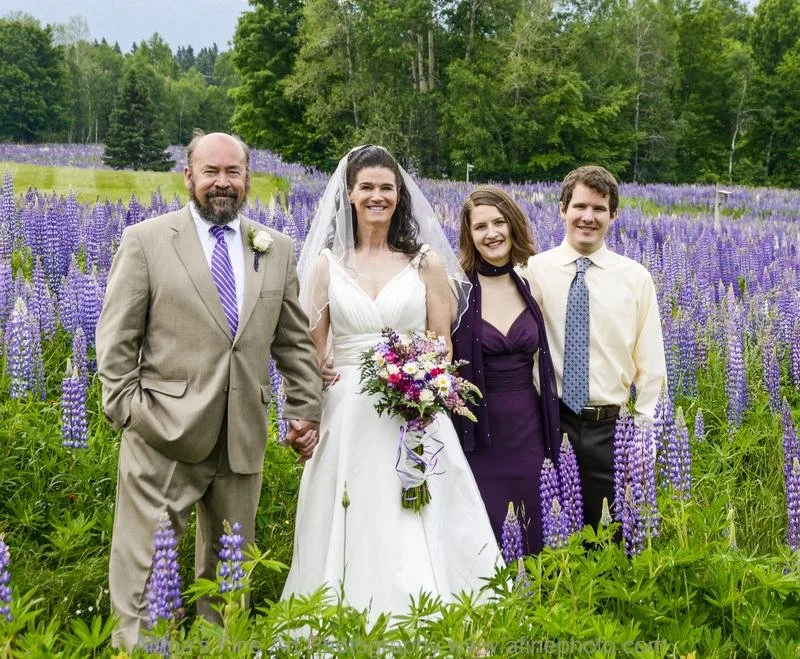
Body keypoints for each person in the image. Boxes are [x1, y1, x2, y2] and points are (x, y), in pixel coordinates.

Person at [96, 132, 323, 649]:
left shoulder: (275, 247)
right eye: (211, 172)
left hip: (243, 431)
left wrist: (305, 410)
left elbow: (293, 341)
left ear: (247, 178)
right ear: (189, 177)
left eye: (233, 172)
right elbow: (115, 343)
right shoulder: (147, 240)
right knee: (144, 568)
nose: (222, 183)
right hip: (163, 431)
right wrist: (129, 413)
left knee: (229, 575)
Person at [281, 145, 500, 621]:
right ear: (350, 194)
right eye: (368, 187)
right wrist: (313, 385)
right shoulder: (326, 264)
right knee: (353, 510)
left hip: (414, 408)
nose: (377, 196)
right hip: (348, 414)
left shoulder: (425, 263)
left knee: (418, 510)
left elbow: (442, 343)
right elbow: (310, 349)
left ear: (399, 196)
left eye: (387, 187)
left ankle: (427, 615)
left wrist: (419, 377)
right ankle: (346, 614)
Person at [523, 165, 666, 529]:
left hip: (611, 430)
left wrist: (644, 437)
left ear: (613, 215)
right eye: (580, 207)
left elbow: (651, 367)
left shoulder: (635, 278)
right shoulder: (531, 271)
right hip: (549, 423)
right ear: (562, 209)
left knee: (612, 536)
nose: (588, 217)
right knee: (554, 541)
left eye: (599, 209)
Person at [452, 186, 561, 554]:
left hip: (528, 426)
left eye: (499, 222)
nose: (492, 233)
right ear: (469, 235)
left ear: (513, 226)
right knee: (487, 526)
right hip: (479, 428)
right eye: (480, 226)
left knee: (535, 520)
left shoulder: (530, 287)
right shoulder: (457, 290)